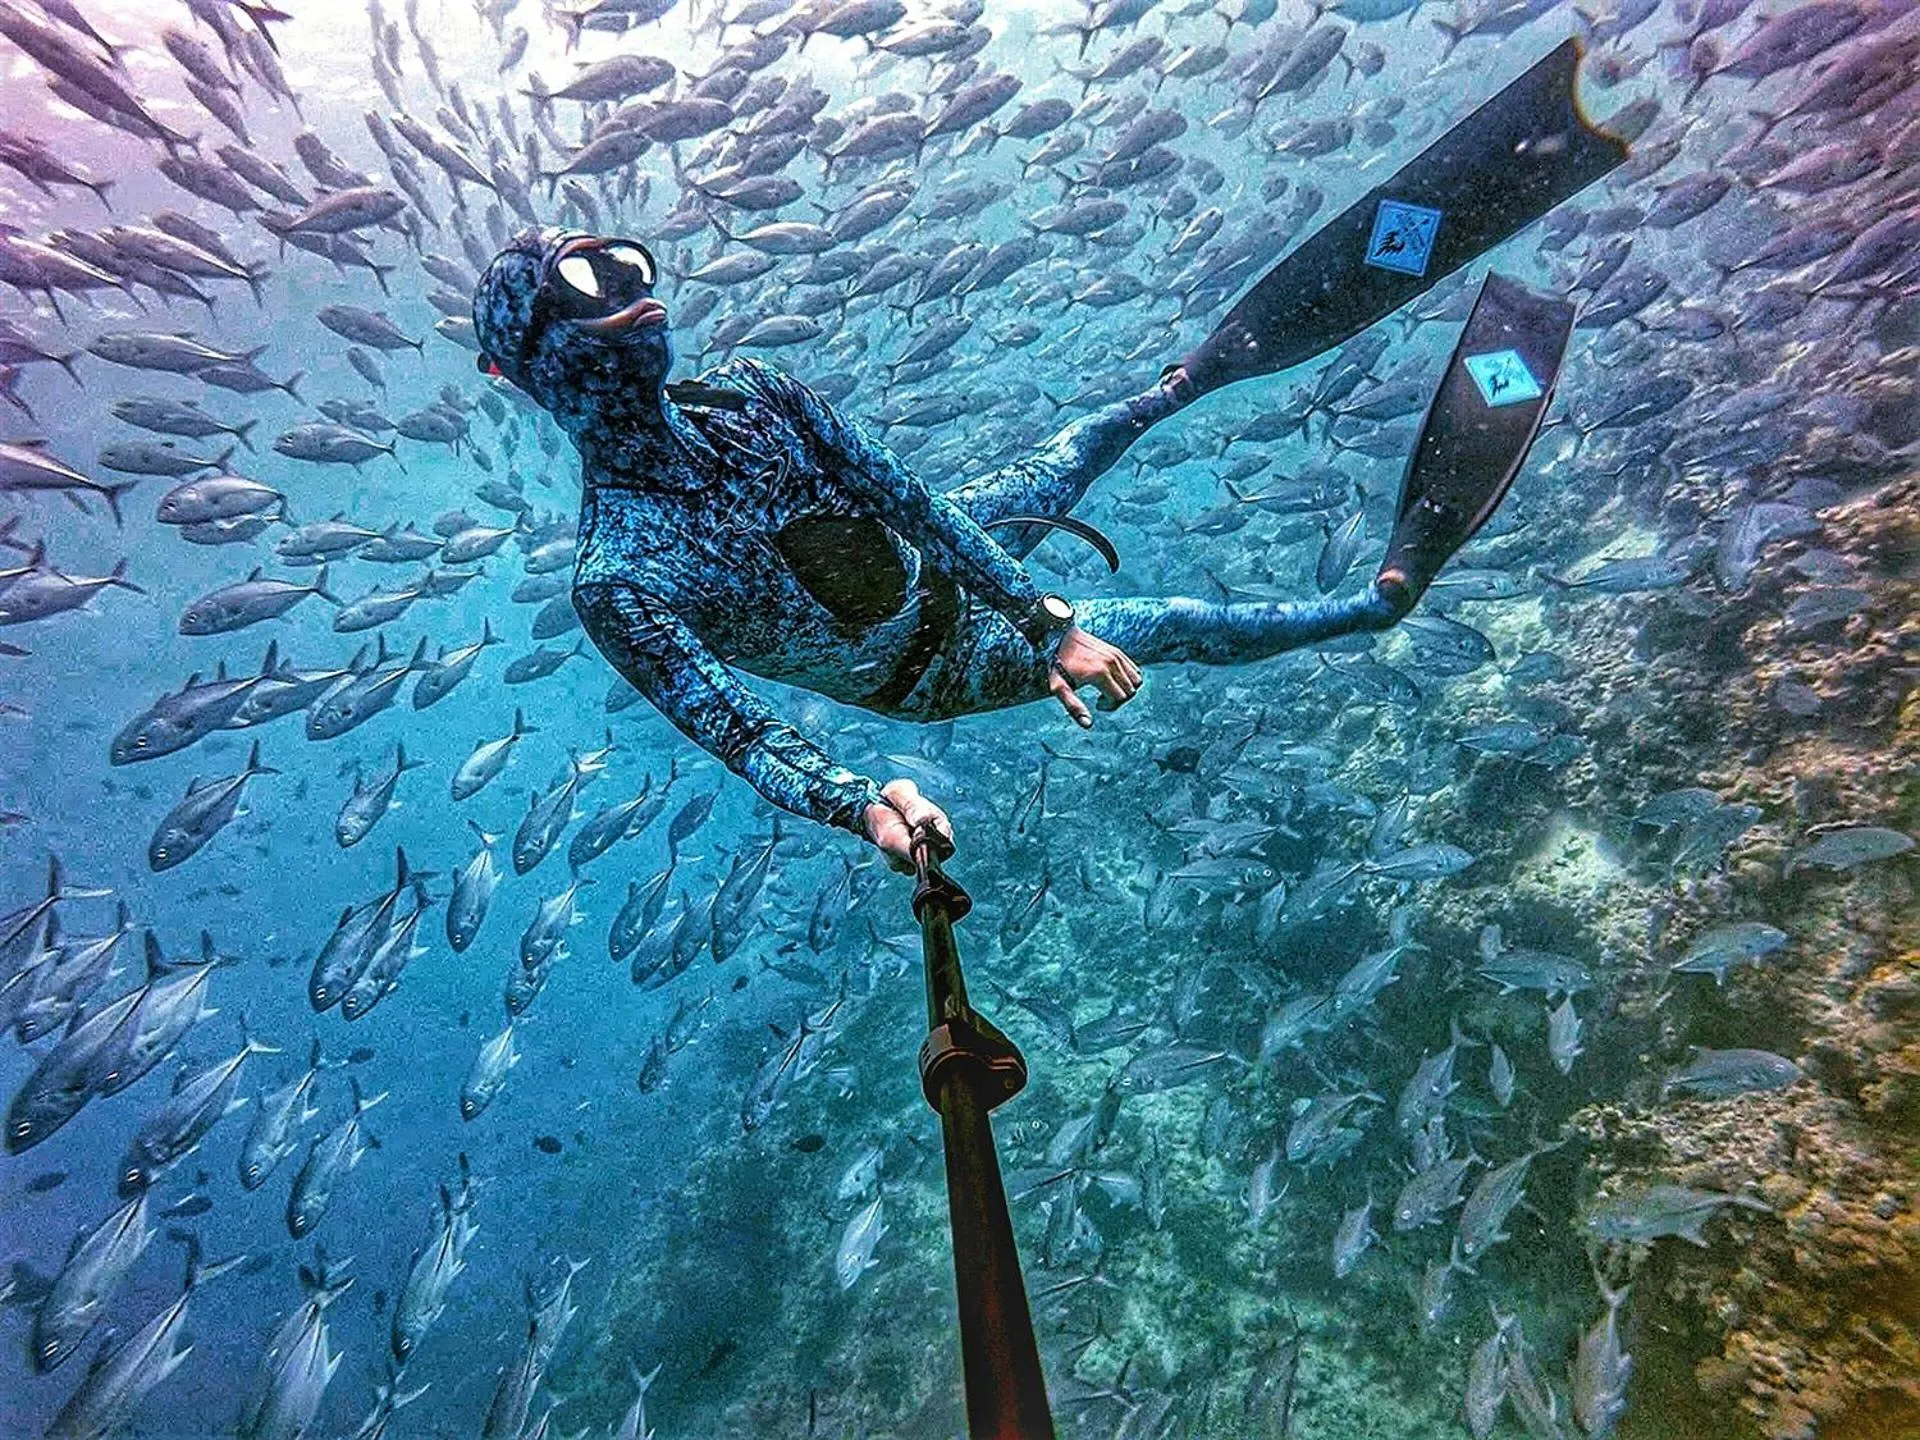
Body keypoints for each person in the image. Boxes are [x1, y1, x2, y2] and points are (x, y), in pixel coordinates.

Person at [470, 40, 1627, 870]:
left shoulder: (756, 395)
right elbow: (738, 731)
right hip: (929, 670)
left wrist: (1044, 616)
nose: (631, 304)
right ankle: (1381, 598)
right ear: (518, 375)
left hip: (967, 560)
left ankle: (1193, 376)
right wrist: (865, 804)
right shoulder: (619, 577)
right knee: (1169, 620)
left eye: (625, 271)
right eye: (586, 294)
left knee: (1103, 430)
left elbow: (914, 505)